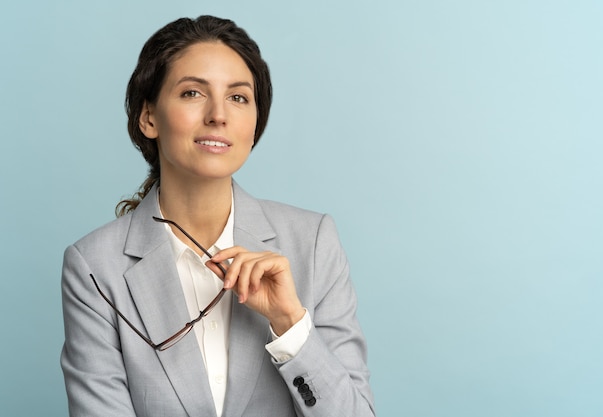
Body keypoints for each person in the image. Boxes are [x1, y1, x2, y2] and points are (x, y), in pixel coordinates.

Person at [60, 15, 375, 417]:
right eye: (193, 93)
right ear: (149, 117)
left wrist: (290, 324)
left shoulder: (313, 242)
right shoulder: (93, 266)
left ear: (255, 121)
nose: (218, 115)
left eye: (238, 97)